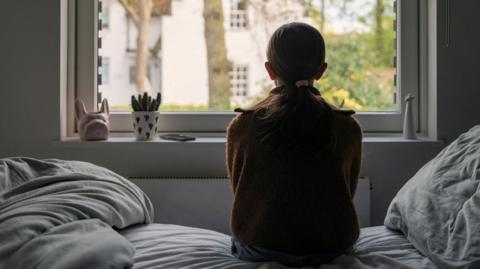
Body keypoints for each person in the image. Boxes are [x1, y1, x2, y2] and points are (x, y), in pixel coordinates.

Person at [226, 22, 362, 267]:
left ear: (269, 70)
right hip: (331, 248)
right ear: (321, 70)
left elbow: (241, 192)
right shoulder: (347, 127)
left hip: (260, 247)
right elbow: (346, 192)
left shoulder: (242, 126)